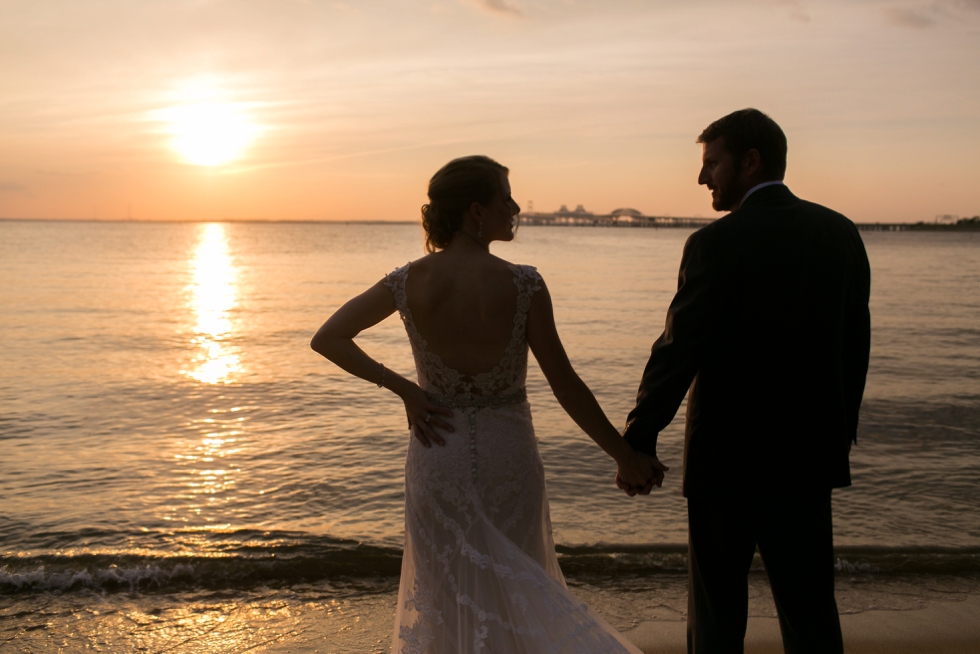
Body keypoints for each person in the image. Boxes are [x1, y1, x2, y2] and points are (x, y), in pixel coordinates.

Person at [311, 155, 664, 653]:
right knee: (518, 594)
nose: (516, 207)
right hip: (508, 459)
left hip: (439, 455)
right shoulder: (524, 283)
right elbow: (565, 384)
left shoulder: (408, 280)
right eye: (506, 197)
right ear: (477, 210)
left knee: (445, 597)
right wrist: (622, 454)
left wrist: (405, 389)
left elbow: (329, 337)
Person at [620, 109, 871, 654]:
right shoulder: (840, 233)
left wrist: (638, 437)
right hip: (807, 459)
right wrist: (837, 433)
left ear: (750, 161)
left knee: (716, 618)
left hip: (725, 464)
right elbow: (855, 347)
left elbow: (678, 350)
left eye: (712, 162)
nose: (703, 177)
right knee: (811, 614)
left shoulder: (716, 243)